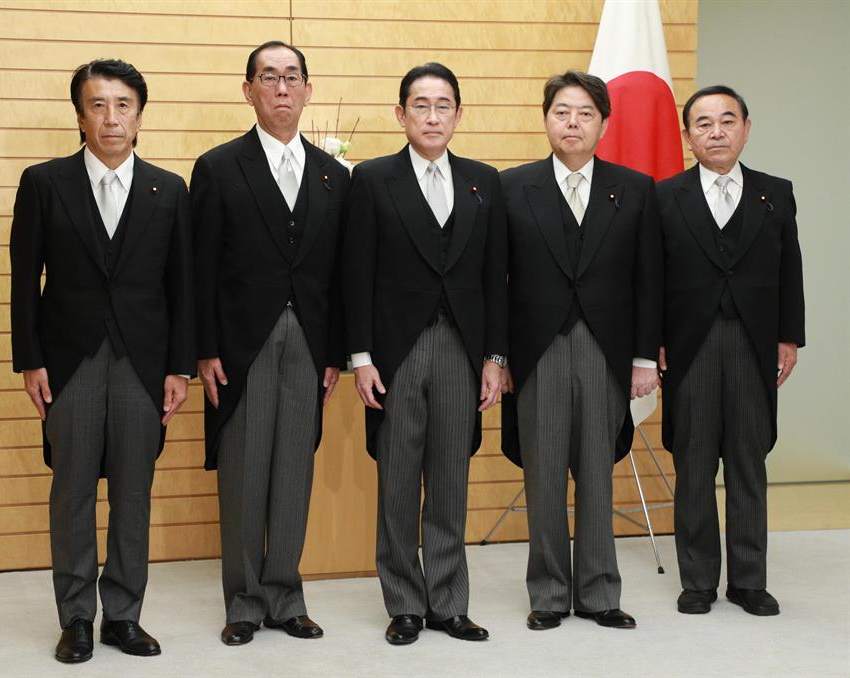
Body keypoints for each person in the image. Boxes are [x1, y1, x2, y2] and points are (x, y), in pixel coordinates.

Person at [9, 59, 194, 663]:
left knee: (135, 493)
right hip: (69, 361)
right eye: (98, 104)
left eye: (123, 105)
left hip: (144, 364)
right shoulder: (45, 182)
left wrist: (178, 368)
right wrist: (30, 361)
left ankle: (124, 614)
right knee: (72, 492)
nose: (110, 117)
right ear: (80, 113)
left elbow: (181, 288)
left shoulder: (170, 190)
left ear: (140, 114)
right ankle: (76, 618)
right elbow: (23, 280)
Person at [190, 41, 350, 646]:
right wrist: (202, 349)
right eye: (268, 77)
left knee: (293, 472)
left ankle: (286, 594)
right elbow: (199, 267)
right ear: (249, 90)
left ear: (308, 90)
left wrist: (336, 350)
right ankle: (243, 602)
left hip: (310, 342)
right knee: (244, 472)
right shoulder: (217, 167)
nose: (281, 88)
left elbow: (341, 275)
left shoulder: (336, 175)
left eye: (291, 77)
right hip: (240, 345)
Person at [343, 63, 507, 645]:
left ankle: (449, 602)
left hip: (463, 350)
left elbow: (495, 279)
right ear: (401, 114)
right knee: (397, 479)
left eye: (444, 106)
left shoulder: (485, 181)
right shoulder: (372, 179)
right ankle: (404, 603)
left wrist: (496, 357)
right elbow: (355, 273)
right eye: (421, 105)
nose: (432, 116)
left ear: (459, 115)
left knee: (450, 476)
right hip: (395, 351)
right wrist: (360, 357)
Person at [500, 71, 662, 631]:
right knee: (543, 476)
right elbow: (496, 280)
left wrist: (645, 358)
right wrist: (499, 357)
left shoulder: (636, 189)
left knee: (598, 472)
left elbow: (648, 281)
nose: (573, 123)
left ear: (604, 123)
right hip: (536, 352)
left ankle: (599, 592)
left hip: (605, 351)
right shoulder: (511, 187)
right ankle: (547, 593)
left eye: (585, 113)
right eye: (562, 112)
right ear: (545, 118)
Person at [658, 85, 805, 617]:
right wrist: (652, 341)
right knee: (693, 462)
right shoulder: (665, 195)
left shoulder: (776, 192)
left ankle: (749, 581)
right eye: (703, 123)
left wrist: (788, 335)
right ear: (688, 135)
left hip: (753, 342)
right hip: (688, 346)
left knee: (748, 461)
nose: (715, 131)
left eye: (726, 120)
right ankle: (697, 581)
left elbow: (791, 269)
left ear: (745, 127)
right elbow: (652, 277)